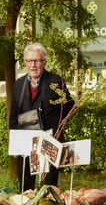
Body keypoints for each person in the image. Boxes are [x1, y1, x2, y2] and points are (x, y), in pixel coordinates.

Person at [9, 42, 74, 191]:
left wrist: (58, 129)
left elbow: (70, 107)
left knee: (49, 187)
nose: (33, 64)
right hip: (25, 142)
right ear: (25, 62)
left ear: (44, 62)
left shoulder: (56, 81)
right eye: (29, 60)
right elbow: (13, 115)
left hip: (49, 141)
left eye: (37, 60)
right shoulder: (18, 84)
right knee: (25, 186)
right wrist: (14, 144)